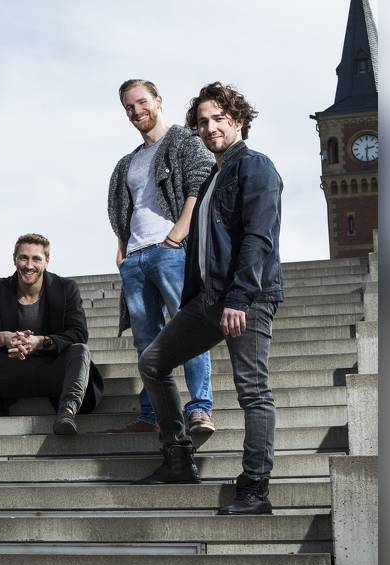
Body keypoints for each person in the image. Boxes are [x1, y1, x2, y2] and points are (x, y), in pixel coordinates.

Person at [133, 82, 284, 517]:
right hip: (208, 299)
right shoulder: (212, 178)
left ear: (238, 120)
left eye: (219, 118)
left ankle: (255, 488)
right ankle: (178, 458)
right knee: (153, 362)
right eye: (202, 121)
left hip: (246, 298)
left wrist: (240, 297)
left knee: (252, 391)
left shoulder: (255, 166)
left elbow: (258, 237)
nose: (210, 127)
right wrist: (194, 300)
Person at [107, 79, 216, 434]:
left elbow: (202, 181)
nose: (136, 110)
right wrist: (122, 246)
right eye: (129, 106)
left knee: (190, 330)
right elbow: (123, 209)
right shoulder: (127, 162)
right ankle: (154, 413)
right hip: (135, 258)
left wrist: (179, 232)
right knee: (146, 342)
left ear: (158, 101)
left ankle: (199, 408)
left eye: (142, 102)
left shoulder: (184, 140)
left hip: (171, 251)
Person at [0, 234, 103, 439]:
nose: (29, 265)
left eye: (36, 259)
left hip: (50, 368)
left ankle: (67, 412)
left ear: (47, 261)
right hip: (10, 369)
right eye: (23, 258)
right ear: (14, 259)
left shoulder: (66, 288)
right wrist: (4, 338)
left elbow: (78, 333)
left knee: (80, 350)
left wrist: (40, 342)